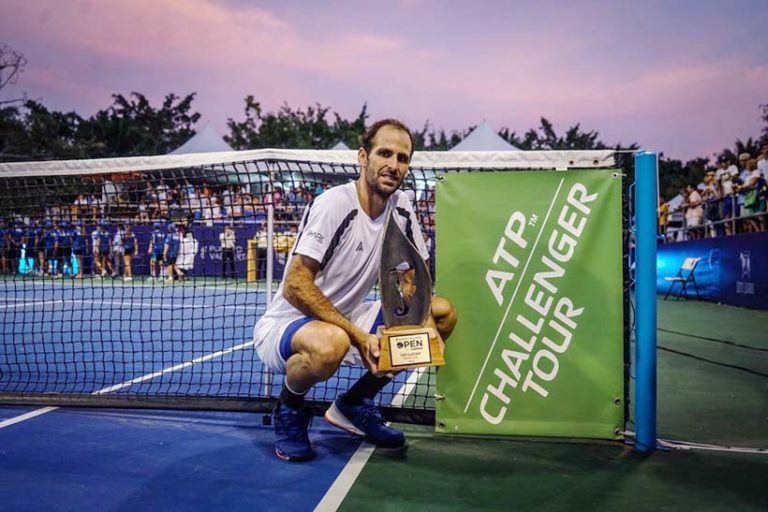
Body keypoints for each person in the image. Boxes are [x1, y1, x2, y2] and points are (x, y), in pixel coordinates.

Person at [252, 119, 458, 462]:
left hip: (349, 320)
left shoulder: (402, 206)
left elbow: (415, 281)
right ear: (363, 157)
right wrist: (361, 338)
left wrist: (415, 326)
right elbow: (294, 286)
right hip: (289, 325)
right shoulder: (335, 204)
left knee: (441, 313)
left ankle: (356, 402)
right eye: (384, 153)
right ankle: (289, 409)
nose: (393, 165)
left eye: (403, 158)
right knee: (332, 342)